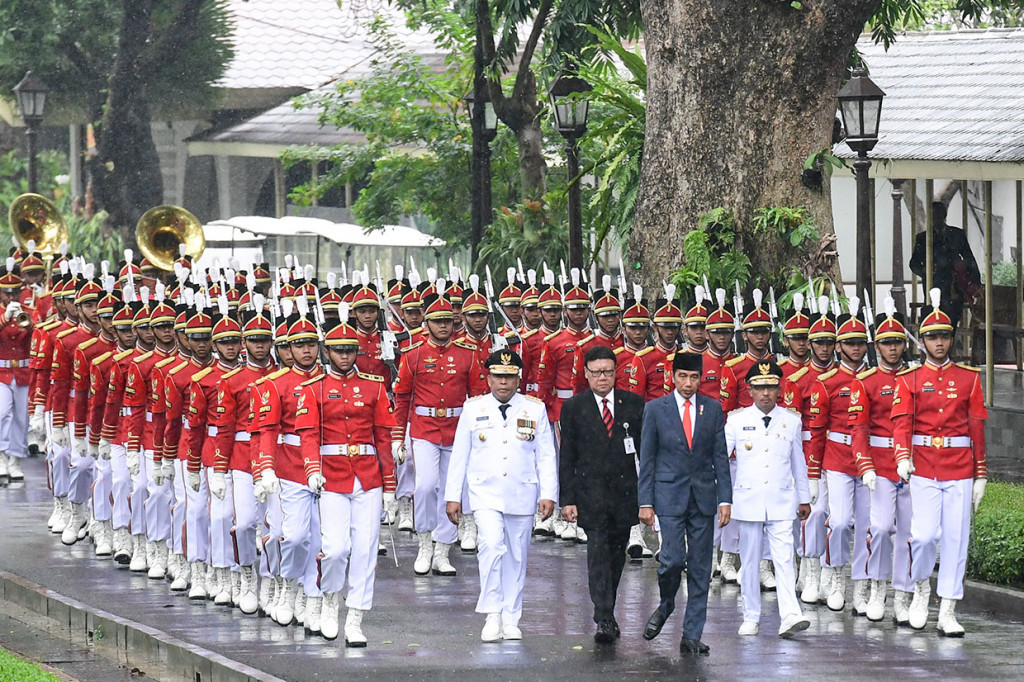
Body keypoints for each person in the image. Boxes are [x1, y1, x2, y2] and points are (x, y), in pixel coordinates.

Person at [294, 310, 396, 645]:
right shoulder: (314, 388)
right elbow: (308, 435)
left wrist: (390, 486)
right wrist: (311, 470)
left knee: (365, 550)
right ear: (327, 352)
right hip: (332, 477)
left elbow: (383, 436)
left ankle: (356, 617)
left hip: (367, 477)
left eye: (350, 350)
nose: (345, 356)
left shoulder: (374, 387)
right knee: (336, 549)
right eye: (338, 350)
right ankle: (328, 600)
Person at [892, 289, 987, 636]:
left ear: (952, 338)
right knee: (923, 536)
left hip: (959, 466)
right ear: (922, 341)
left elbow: (977, 428)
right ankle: (920, 590)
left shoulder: (969, 378)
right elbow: (900, 423)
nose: (940, 343)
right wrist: (902, 457)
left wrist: (981, 475)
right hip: (924, 467)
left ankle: (948, 609)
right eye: (932, 337)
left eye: (945, 337)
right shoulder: (910, 379)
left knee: (956, 539)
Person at [445, 350, 557, 642]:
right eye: (498, 376)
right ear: (488, 377)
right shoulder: (473, 408)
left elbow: (546, 455)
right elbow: (459, 454)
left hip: (521, 490)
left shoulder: (535, 408)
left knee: (517, 558)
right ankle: (492, 613)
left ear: (519, 378)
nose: (503, 382)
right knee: (491, 547)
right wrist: (452, 496)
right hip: (485, 492)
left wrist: (549, 493)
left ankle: (511, 617)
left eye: (509, 376)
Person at [638, 352, 731, 656]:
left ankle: (691, 633)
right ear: (672, 376)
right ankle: (666, 605)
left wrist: (725, 499)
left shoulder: (713, 409)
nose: (688, 383)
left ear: (700, 378)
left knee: (702, 568)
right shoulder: (655, 409)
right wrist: (645, 502)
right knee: (672, 560)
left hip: (703, 496)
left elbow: (720, 457)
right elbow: (647, 458)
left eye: (694, 377)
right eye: (682, 376)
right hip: (669, 495)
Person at [558, 345, 645, 643]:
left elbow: (644, 452)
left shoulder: (633, 403)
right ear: (585, 373)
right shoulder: (574, 407)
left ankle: (608, 609)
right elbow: (567, 455)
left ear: (616, 372)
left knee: (616, 555)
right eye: (596, 373)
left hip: (624, 492)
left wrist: (647, 497)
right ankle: (604, 616)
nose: (603, 378)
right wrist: (567, 499)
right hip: (590, 493)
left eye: (608, 372)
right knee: (597, 552)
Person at [724, 360, 811, 637]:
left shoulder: (791, 420)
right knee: (749, 562)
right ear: (750, 390)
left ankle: (790, 614)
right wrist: (721, 497)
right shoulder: (736, 421)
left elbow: (799, 462)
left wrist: (804, 497)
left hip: (782, 500)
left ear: (778, 389)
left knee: (784, 559)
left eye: (771, 388)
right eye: (760, 388)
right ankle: (751, 616)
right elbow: (722, 460)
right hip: (748, 500)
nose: (765, 394)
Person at [909, 201, 981, 331]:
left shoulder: (957, 235)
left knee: (951, 324)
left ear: (944, 215)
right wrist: (924, 270)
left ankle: (949, 349)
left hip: (955, 288)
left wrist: (975, 282)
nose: (935, 218)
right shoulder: (923, 238)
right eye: (932, 215)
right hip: (933, 287)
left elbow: (969, 259)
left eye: (938, 215)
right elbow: (913, 263)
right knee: (934, 324)